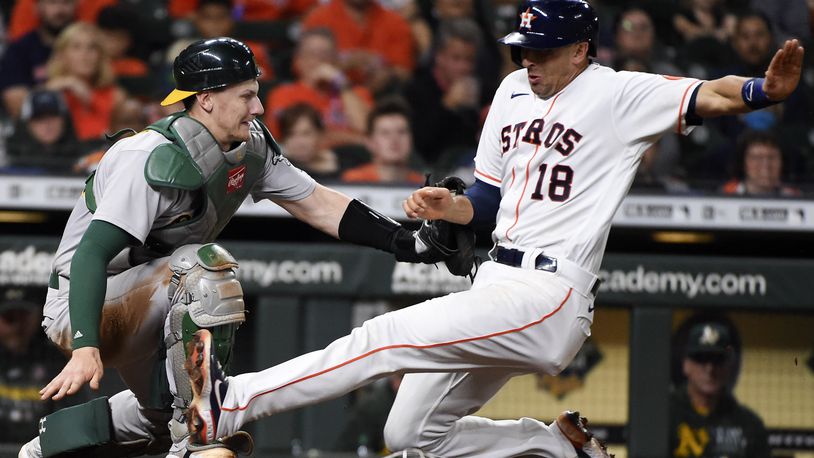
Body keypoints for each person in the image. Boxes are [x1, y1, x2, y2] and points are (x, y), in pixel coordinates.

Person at [176, 1, 802, 457]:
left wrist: (760, 90)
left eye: (545, 49)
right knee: (410, 436)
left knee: (385, 335)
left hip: (548, 296)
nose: (529, 59)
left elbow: (710, 95)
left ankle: (231, 403)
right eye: (523, 48)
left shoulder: (619, 94)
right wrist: (450, 209)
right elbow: (487, 199)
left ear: (582, 50)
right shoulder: (510, 90)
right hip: (495, 280)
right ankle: (553, 446)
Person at [18, 37, 447, 458]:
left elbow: (317, 203)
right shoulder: (148, 154)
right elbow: (92, 254)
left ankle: (45, 448)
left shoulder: (249, 147)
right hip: (83, 305)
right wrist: (86, 346)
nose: (258, 107)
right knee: (205, 271)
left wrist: (405, 241)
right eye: (246, 96)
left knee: (160, 415)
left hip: (153, 298)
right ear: (205, 99)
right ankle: (196, 439)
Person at [670, 319, 769, 457]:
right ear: (686, 365)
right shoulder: (664, 416)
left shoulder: (748, 424)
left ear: (729, 366)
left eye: (717, 360)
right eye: (701, 359)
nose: (709, 369)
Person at [265, 28, 373, 147]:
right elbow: (292, 139)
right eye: (312, 54)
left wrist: (342, 84)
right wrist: (354, 139)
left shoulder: (355, 92)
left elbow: (368, 130)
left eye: (325, 54)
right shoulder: (283, 95)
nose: (319, 60)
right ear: (298, 61)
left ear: (336, 61)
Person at [404, 18, 482, 166]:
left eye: (469, 60)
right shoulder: (416, 89)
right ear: (439, 57)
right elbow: (418, 144)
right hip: (429, 171)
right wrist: (448, 105)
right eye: (456, 58)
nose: (463, 67)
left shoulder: (483, 90)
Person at [0, 288, 71, 444]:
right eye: (10, 319)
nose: (17, 326)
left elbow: (72, 412)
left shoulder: (55, 358)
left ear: (35, 317)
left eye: (23, 317)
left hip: (41, 449)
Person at [301, 0, 416, 91]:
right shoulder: (317, 19)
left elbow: (404, 72)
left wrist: (386, 73)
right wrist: (347, 62)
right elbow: (304, 69)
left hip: (381, 101)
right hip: (326, 99)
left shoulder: (396, 23)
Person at [44, 22, 128, 142]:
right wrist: (67, 84)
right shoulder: (54, 92)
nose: (85, 54)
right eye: (76, 47)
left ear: (100, 55)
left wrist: (90, 98)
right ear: (62, 55)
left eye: (92, 48)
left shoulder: (116, 96)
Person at [0, 0, 76, 118]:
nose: (60, 10)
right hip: (38, 129)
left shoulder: (89, 46)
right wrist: (55, 86)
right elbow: (16, 106)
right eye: (52, 3)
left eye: (66, 3)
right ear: (37, 8)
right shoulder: (19, 50)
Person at [341, 99, 426, 185]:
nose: (394, 139)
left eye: (401, 132)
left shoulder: (420, 184)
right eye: (385, 133)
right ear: (369, 142)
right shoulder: (353, 181)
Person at [4, 89, 82, 174]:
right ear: (27, 124)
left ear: (65, 120)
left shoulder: (83, 156)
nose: (47, 125)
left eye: (53, 116)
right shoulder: (11, 157)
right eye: (39, 119)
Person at [721, 130, 801, 196]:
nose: (766, 165)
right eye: (757, 158)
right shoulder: (726, 194)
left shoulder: (794, 196)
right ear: (743, 163)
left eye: (772, 157)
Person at [278, 103, 344, 181]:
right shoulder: (277, 171)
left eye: (306, 134)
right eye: (291, 135)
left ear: (320, 134)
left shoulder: (346, 158)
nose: (299, 143)